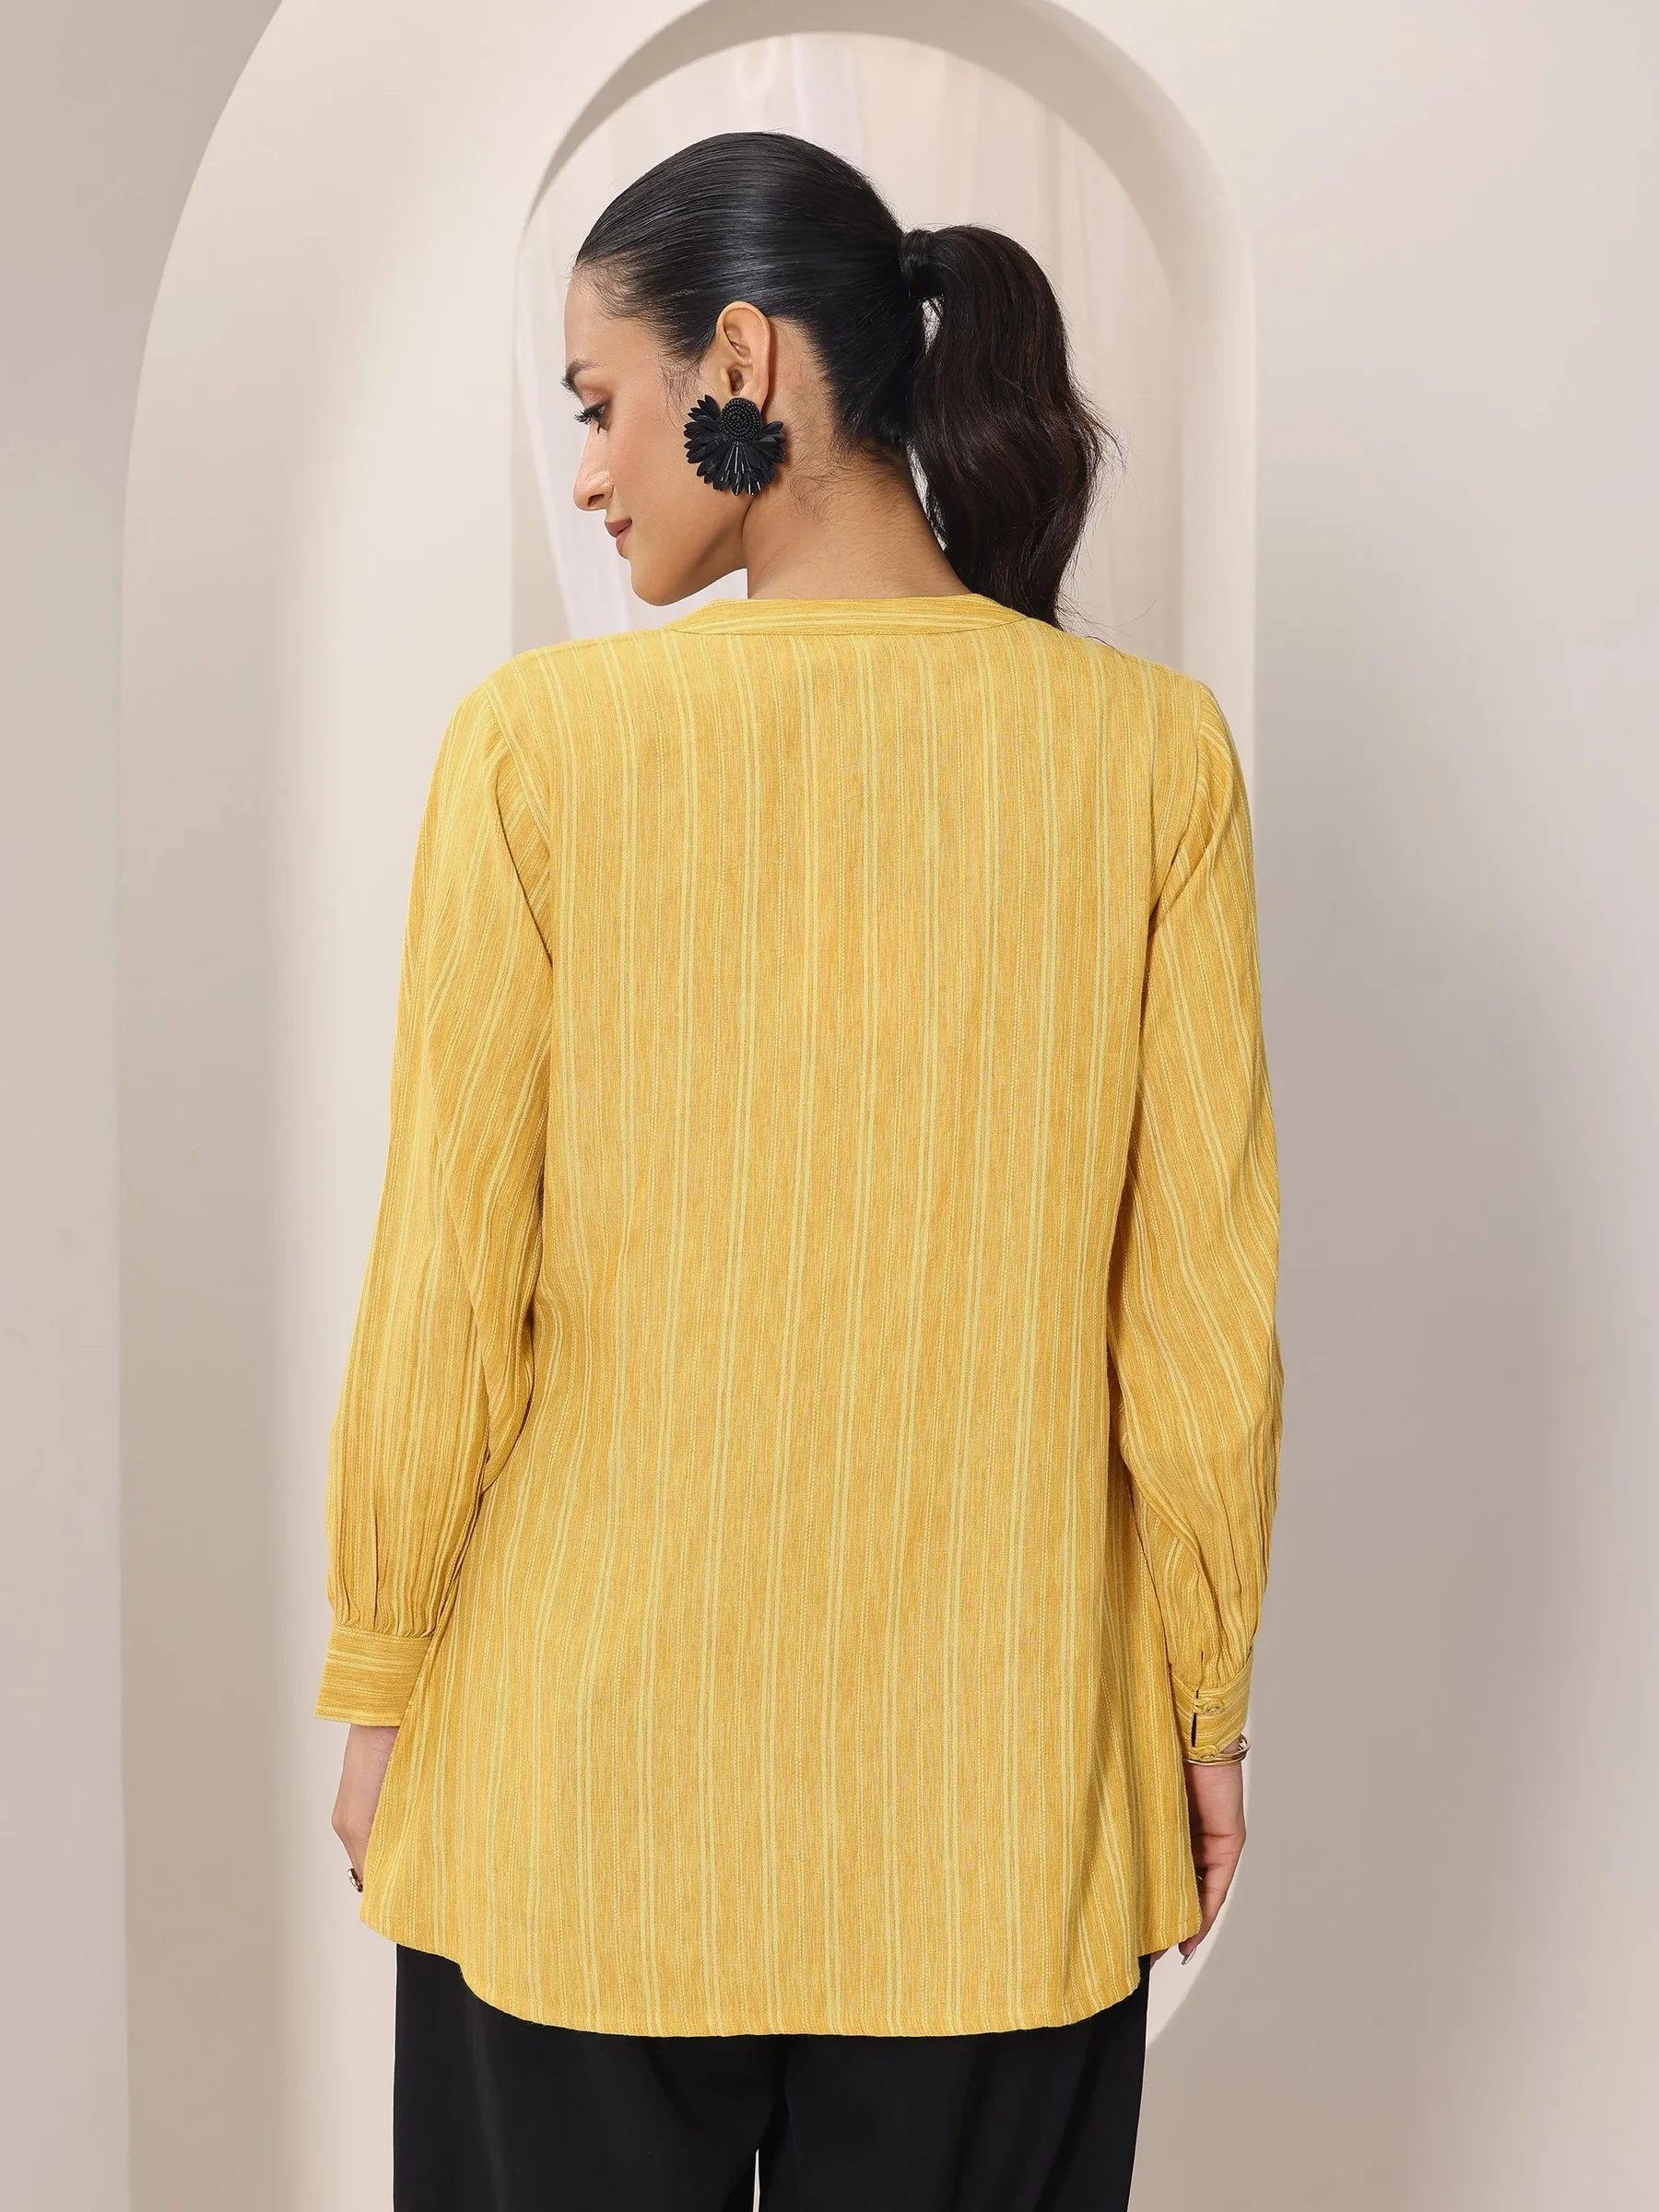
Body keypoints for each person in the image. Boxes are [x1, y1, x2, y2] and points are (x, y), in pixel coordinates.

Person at [316, 128, 1283, 2210]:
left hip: (580, 1802)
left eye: (601, 401)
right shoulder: (1149, 758)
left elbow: (446, 1287)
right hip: (998, 1810)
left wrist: (384, 1676)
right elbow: (1201, 1319)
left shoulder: (538, 754)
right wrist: (1203, 1708)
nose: (590, 472)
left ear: (740, 357)